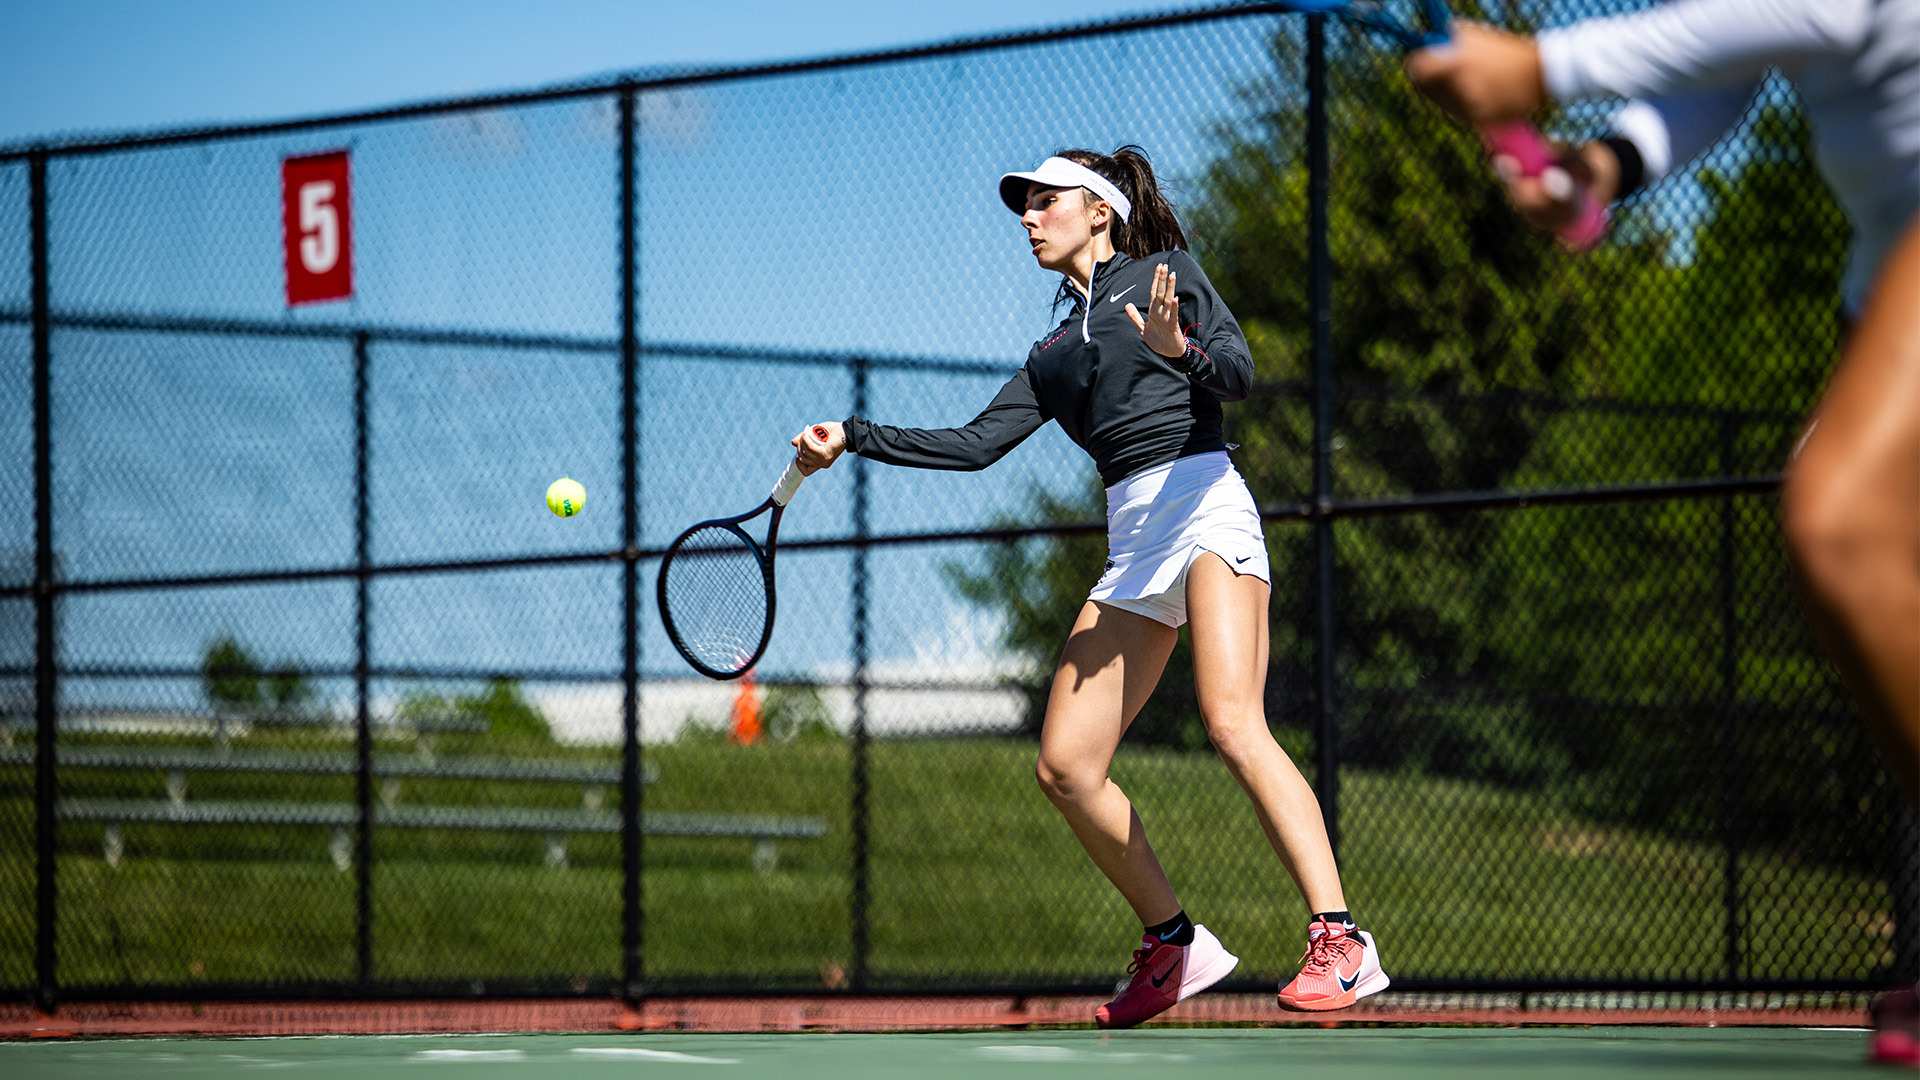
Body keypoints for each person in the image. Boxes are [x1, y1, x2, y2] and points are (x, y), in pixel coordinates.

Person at [1404, 1, 1919, 1064]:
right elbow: (1738, 66)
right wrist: (1605, 163)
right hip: (1883, 285)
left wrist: (1543, 67)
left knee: (1839, 518)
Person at [791, 146, 1388, 1027]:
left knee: (1231, 722)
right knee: (1066, 767)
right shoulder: (1053, 352)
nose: (1028, 218)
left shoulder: (1166, 275)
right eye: (1023, 207)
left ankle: (1341, 939)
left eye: (1045, 202)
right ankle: (1174, 944)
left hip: (1204, 502)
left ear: (1099, 211)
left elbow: (1242, 374)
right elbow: (974, 444)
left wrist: (1175, 345)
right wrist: (852, 433)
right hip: (1133, 540)